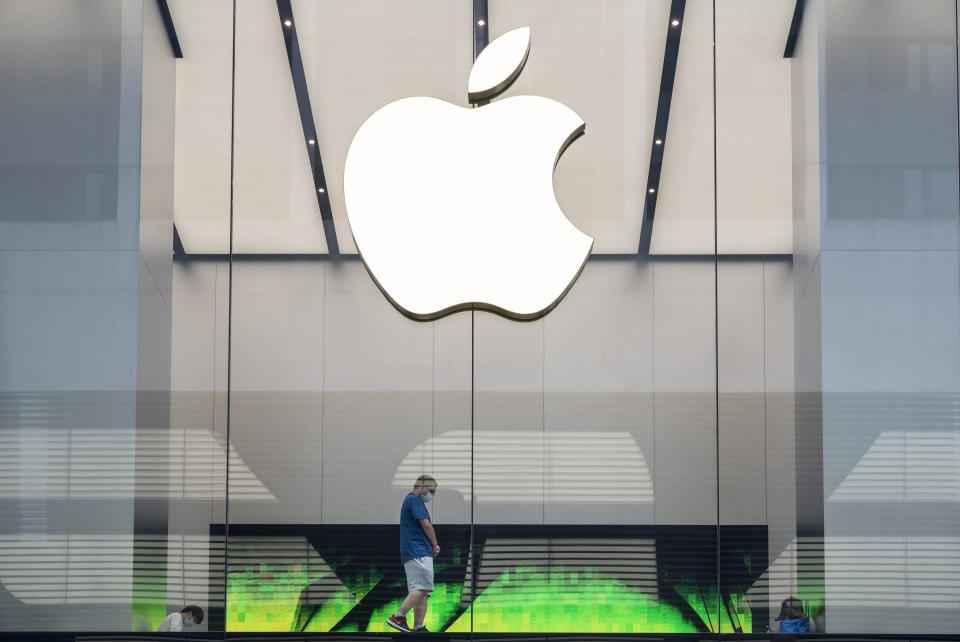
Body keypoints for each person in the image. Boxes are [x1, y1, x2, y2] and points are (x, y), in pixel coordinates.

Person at [387, 475, 439, 633]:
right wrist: (435, 545)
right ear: (422, 486)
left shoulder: (410, 501)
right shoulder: (414, 500)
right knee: (423, 587)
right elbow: (426, 524)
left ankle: (418, 626)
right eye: (431, 491)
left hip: (413, 552)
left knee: (423, 591)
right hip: (419, 551)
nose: (432, 495)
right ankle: (398, 617)